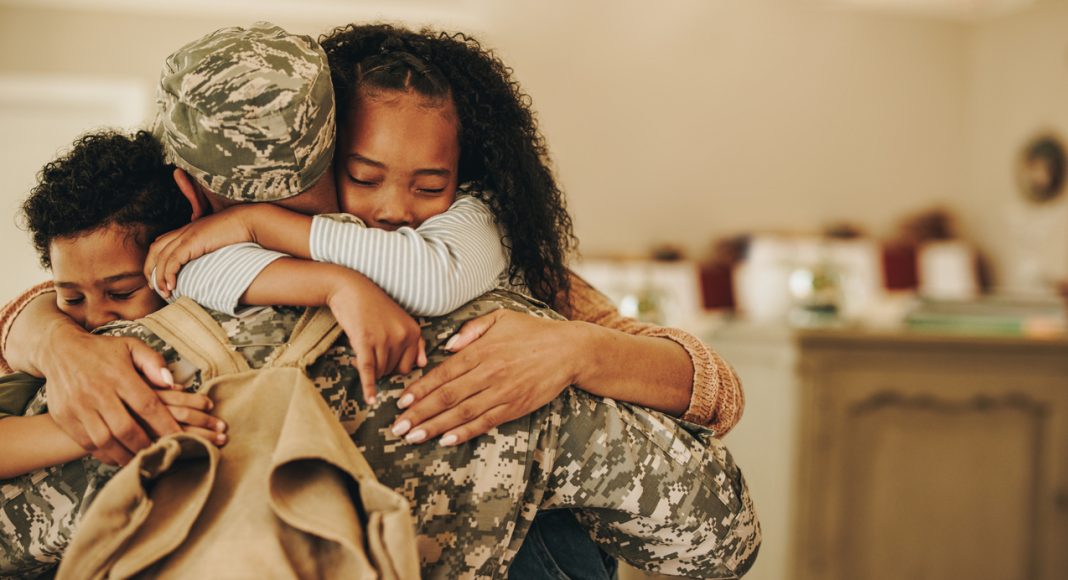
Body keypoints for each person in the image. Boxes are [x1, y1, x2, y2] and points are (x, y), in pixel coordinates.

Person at [0, 22, 759, 578]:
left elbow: (714, 390)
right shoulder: (129, 333)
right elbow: (717, 537)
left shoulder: (502, 284)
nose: (389, 212)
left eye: (427, 186)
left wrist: (579, 349)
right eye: (363, 177)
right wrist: (52, 335)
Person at [0, 130, 227, 481]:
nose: (94, 318)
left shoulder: (205, 296)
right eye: (72, 297)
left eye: (121, 293)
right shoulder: (39, 356)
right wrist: (100, 422)